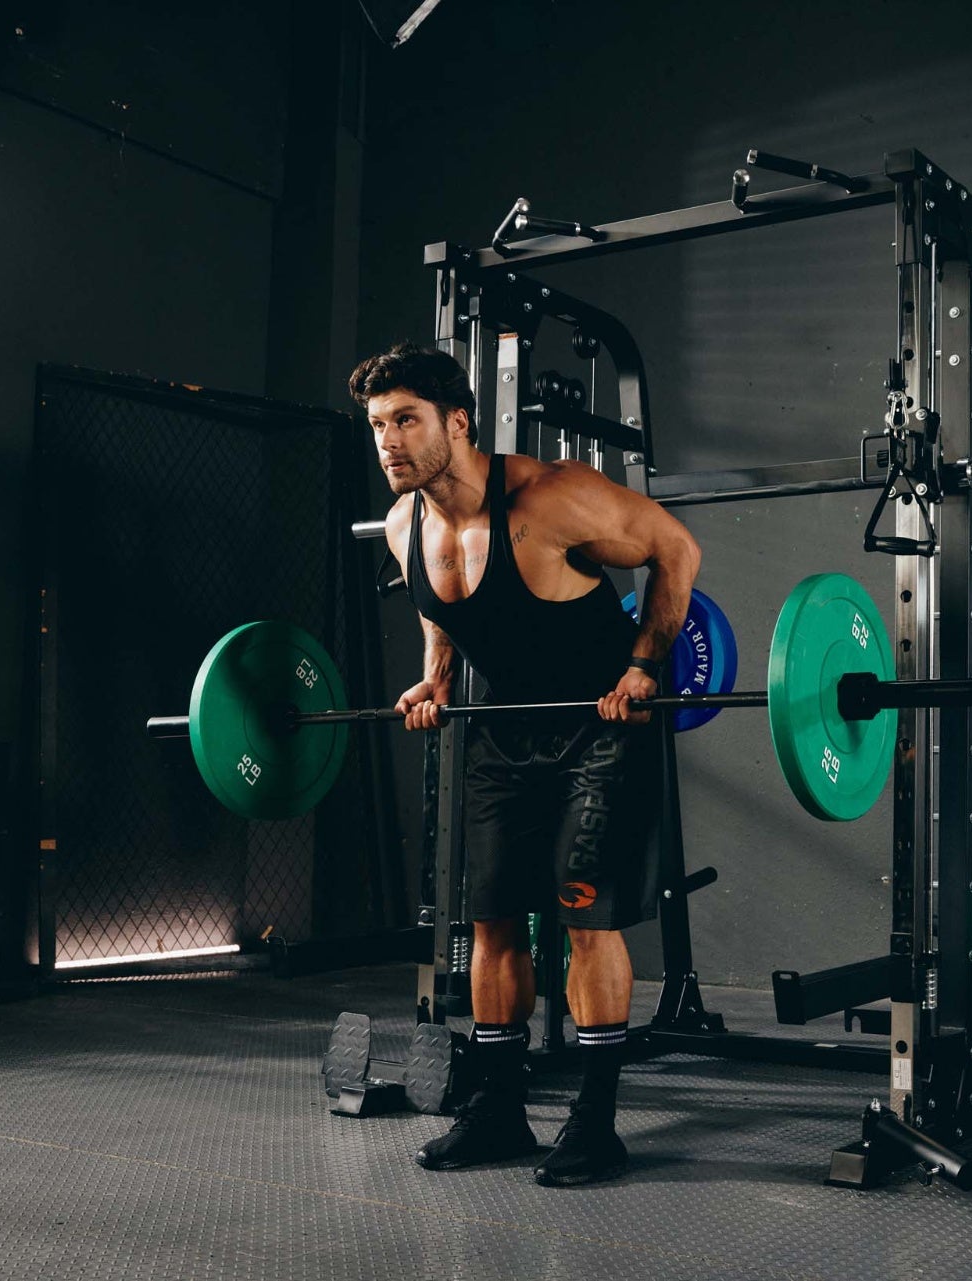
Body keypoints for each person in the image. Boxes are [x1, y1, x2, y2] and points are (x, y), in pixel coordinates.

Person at [350, 341, 701, 1187]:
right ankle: (501, 1108)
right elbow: (446, 621)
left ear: (457, 422)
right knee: (493, 922)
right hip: (501, 735)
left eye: (405, 420)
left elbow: (675, 548)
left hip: (599, 729)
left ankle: (596, 1118)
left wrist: (643, 665)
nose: (389, 441)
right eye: (376, 425)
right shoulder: (406, 524)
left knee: (585, 921)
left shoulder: (553, 498)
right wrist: (433, 680)